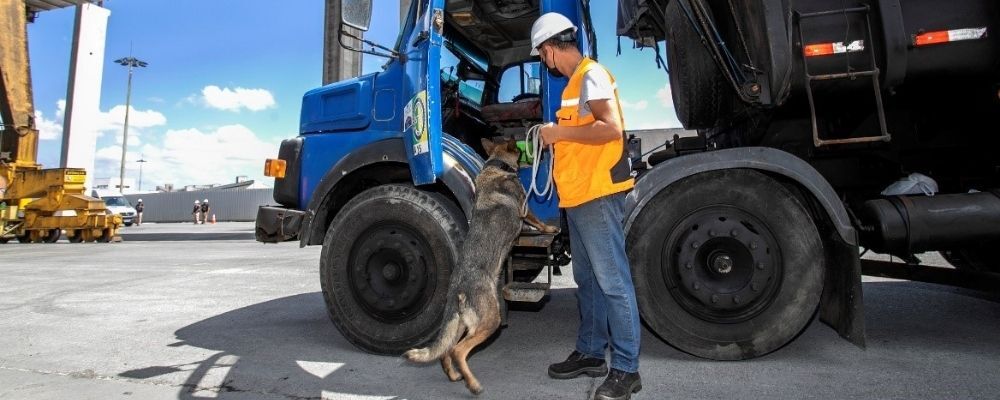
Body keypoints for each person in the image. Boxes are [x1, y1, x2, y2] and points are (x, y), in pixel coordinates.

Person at [531, 12, 642, 400]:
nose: (545, 62)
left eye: (542, 56)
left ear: (548, 49)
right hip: (578, 197)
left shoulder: (591, 75)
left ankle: (627, 369)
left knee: (613, 283)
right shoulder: (573, 86)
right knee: (590, 281)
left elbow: (610, 128)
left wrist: (556, 131)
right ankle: (592, 353)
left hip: (597, 194)